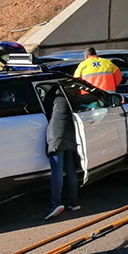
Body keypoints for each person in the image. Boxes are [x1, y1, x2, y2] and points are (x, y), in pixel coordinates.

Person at [43, 86, 80, 220]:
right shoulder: (72, 98)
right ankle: (74, 202)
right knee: (70, 170)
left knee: (57, 171)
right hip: (70, 135)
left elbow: (45, 112)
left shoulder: (53, 98)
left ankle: (55, 204)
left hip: (56, 134)